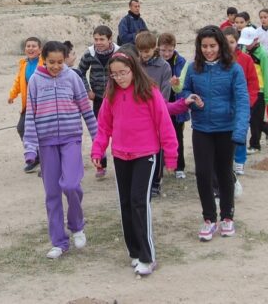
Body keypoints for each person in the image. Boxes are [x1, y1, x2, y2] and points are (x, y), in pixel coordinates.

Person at [91, 51, 178, 276]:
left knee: (140, 202)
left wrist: (171, 156)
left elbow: (165, 124)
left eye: (123, 73)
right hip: (121, 155)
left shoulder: (149, 91)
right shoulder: (111, 94)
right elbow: (104, 126)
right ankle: (135, 252)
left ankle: (148, 257)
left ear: (133, 70)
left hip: (145, 155)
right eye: (114, 74)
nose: (119, 78)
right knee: (126, 203)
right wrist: (98, 150)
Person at [23, 41, 98, 259]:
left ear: (65, 59)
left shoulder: (72, 78)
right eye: (51, 62)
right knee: (52, 194)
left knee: (71, 184)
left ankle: (77, 225)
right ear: (43, 59)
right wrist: (30, 147)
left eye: (59, 61)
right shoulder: (35, 81)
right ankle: (59, 242)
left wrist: (97, 139)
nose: (56, 66)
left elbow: (86, 109)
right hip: (46, 144)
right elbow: (31, 116)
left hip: (71, 139)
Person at [177, 26, 249, 243]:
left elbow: (243, 101)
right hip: (202, 129)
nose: (208, 50)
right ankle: (209, 219)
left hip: (226, 129)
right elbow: (185, 91)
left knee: (224, 174)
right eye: (204, 46)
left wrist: (239, 132)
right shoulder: (193, 68)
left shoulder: (234, 69)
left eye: (212, 46)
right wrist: (191, 98)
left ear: (221, 46)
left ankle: (227, 216)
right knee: (203, 174)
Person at [74, 26, 116, 179]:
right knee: (99, 133)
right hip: (98, 99)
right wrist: (87, 90)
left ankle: (122, 162)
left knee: (118, 131)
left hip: (116, 99)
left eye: (102, 39)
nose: (98, 42)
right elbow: (80, 72)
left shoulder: (119, 53)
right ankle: (101, 165)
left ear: (110, 39)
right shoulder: (89, 54)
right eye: (96, 39)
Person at [135, 31, 172, 197]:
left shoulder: (164, 67)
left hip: (157, 113)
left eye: (147, 51)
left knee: (158, 148)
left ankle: (156, 181)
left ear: (154, 48)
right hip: (138, 114)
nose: (144, 55)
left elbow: (165, 91)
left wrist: (158, 111)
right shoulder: (135, 65)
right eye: (141, 51)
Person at [222, 27, 257, 178]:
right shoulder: (217, 61)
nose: (229, 44)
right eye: (226, 41)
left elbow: (253, 83)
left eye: (232, 42)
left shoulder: (246, 59)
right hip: (224, 106)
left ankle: (240, 161)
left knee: (240, 133)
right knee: (225, 135)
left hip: (241, 106)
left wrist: (248, 102)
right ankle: (226, 162)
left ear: (237, 42)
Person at [7, 37, 43, 173]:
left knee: (42, 132)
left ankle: (47, 162)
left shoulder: (44, 63)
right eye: (28, 46)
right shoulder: (24, 64)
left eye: (34, 46)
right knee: (22, 128)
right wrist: (12, 95)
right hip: (28, 105)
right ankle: (34, 156)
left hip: (43, 105)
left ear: (40, 49)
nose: (31, 48)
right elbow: (18, 82)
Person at [158, 32, 188, 180]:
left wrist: (177, 84)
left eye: (170, 50)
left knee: (177, 137)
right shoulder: (154, 61)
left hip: (175, 105)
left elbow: (184, 83)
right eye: (163, 50)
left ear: (174, 48)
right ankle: (161, 164)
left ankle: (179, 166)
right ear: (158, 48)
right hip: (159, 105)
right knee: (159, 137)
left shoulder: (180, 61)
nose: (166, 53)